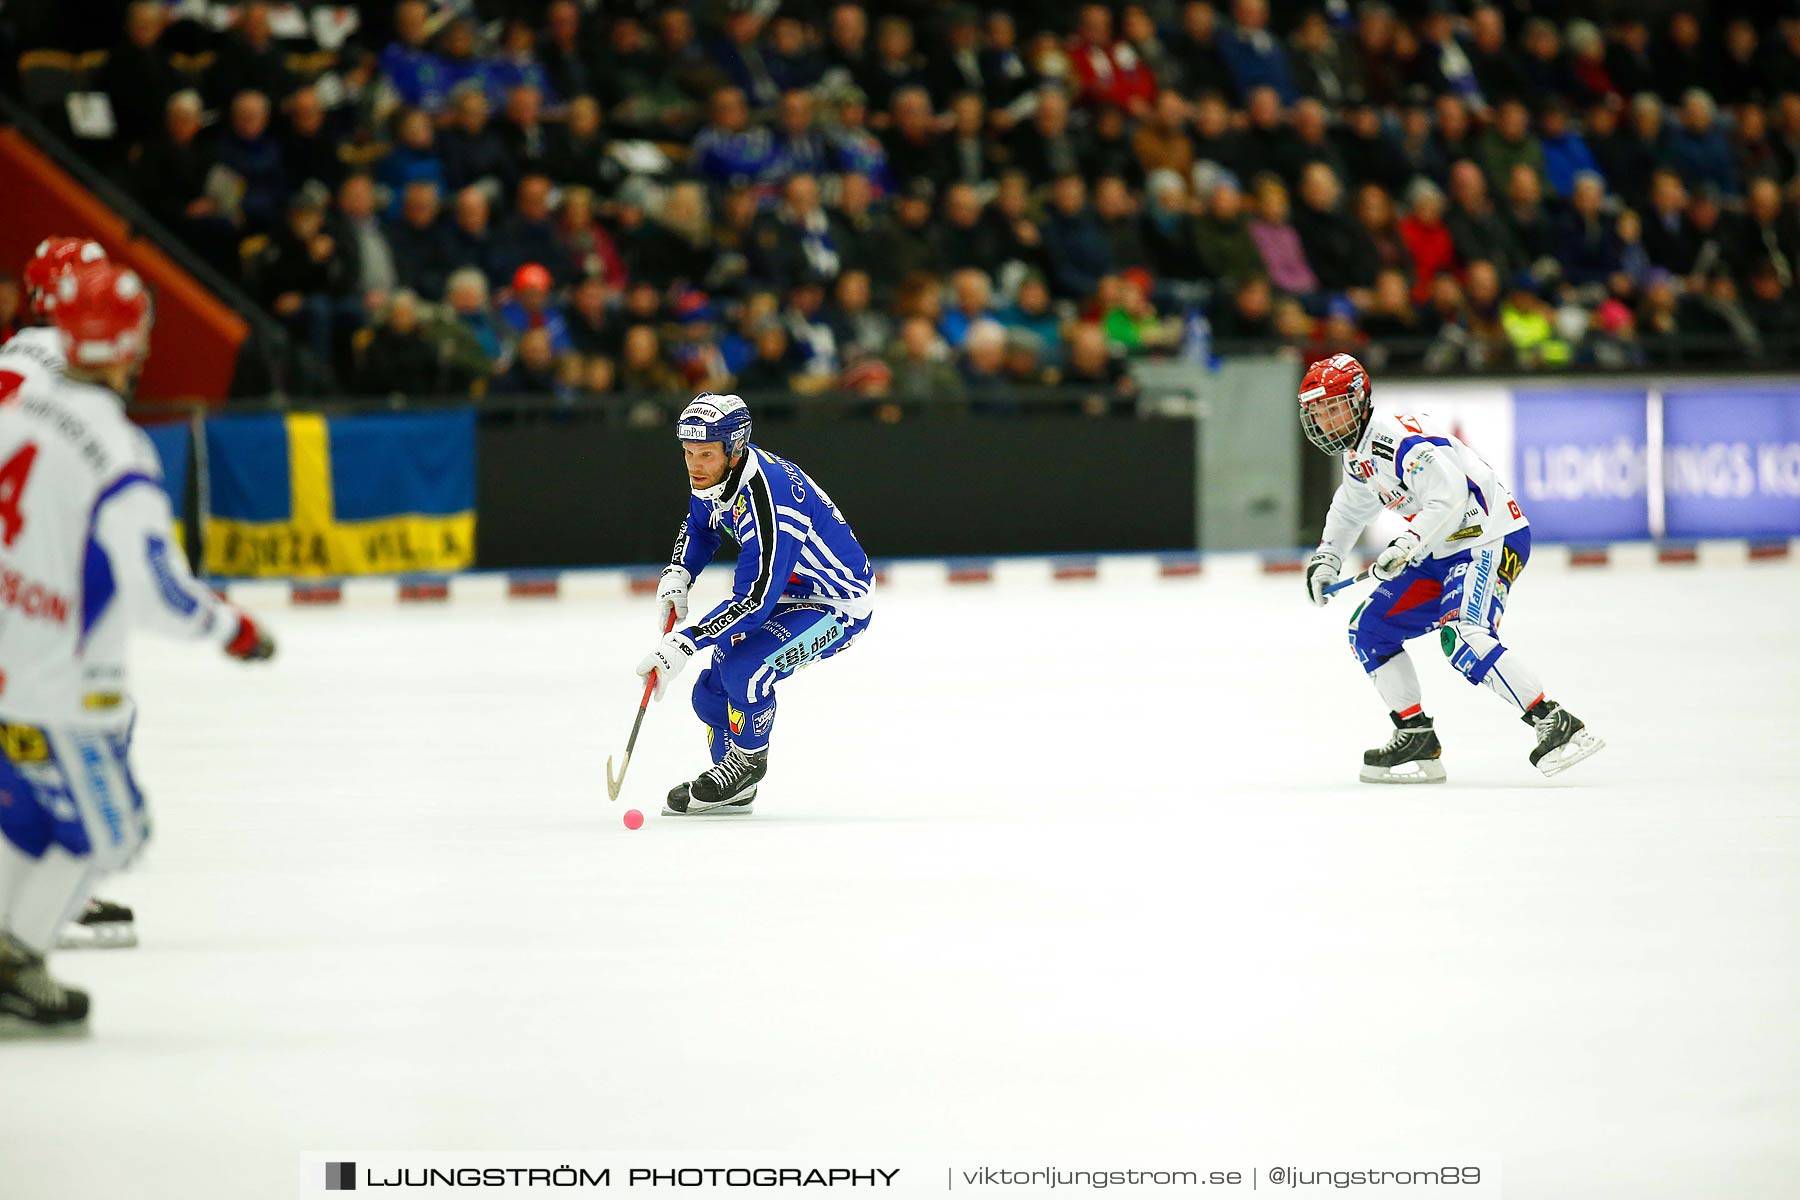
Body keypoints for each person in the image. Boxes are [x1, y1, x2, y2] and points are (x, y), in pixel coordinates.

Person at [0, 260, 275, 1034]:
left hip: (11, 655)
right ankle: (16, 955)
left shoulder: (14, 407)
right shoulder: (117, 450)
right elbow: (159, 592)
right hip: (63, 679)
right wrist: (237, 631)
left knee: (29, 817)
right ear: (131, 345)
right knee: (113, 829)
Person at [1297, 353, 1603, 783]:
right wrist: (1327, 556)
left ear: (1359, 400)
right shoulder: (1358, 455)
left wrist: (1405, 543)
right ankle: (1416, 736)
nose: (1326, 421)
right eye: (1317, 412)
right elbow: (1351, 507)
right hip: (1439, 550)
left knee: (1461, 633)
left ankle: (1556, 723)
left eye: (1333, 407)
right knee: (1369, 630)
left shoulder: (1398, 439)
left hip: (1488, 539)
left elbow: (1450, 496)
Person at [2, 239, 146, 950]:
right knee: (81, 722)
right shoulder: (57, 361)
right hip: (30, 572)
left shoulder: (21, 356)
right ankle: (46, 899)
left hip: (21, 562)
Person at [637, 395, 874, 815]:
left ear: (735, 449)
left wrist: (683, 642)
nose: (695, 465)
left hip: (834, 602)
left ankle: (746, 765)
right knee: (710, 693)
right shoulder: (716, 476)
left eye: (706, 454)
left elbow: (754, 600)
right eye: (688, 453)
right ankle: (731, 786)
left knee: (745, 671)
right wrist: (679, 573)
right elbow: (700, 524)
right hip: (785, 592)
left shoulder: (771, 501)